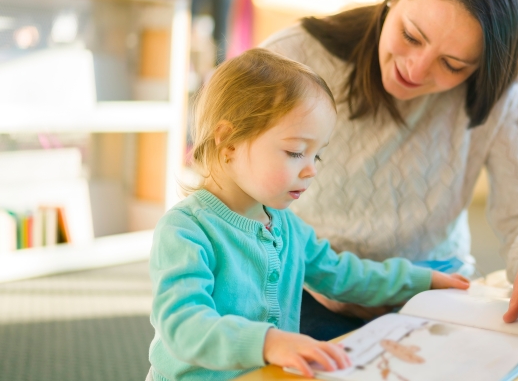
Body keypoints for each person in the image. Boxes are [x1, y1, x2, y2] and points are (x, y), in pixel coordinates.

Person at [260, 0, 518, 341]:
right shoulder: (292, 57)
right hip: (308, 289)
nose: (415, 71)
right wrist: (322, 275)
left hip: (434, 294)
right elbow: (226, 200)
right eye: (411, 36)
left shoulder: (497, 92)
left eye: (452, 64)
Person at [146, 48, 470, 381]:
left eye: (318, 156)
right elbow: (183, 325)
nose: (311, 170)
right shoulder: (185, 230)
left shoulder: (288, 228)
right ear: (228, 144)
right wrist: (269, 342)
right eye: (297, 152)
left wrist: (420, 280)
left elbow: (343, 274)